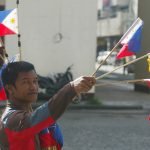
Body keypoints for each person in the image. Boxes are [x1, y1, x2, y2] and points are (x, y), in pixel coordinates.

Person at [0, 61, 96, 150]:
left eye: (35, 81)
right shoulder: (12, 119)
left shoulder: (27, 112)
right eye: (25, 82)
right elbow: (45, 114)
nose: (33, 87)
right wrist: (72, 88)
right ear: (10, 89)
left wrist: (73, 92)